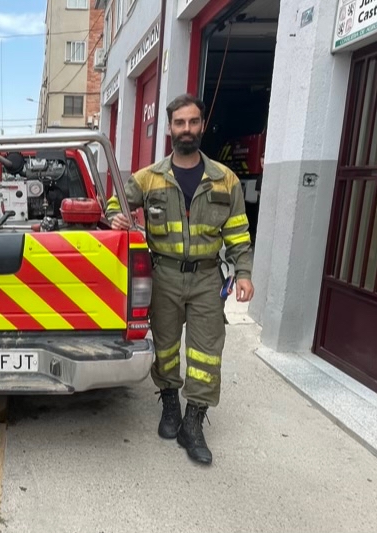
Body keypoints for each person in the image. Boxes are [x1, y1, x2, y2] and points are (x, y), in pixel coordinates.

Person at [106, 94, 254, 465]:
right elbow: (114, 204)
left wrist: (244, 272)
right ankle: (170, 405)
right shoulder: (149, 177)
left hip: (206, 279)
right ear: (170, 128)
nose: (186, 129)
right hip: (165, 276)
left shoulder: (225, 180)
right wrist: (117, 219)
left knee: (206, 353)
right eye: (179, 123)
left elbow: (237, 231)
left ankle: (194, 421)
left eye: (192, 122)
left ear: (202, 125)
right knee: (167, 347)